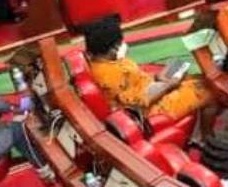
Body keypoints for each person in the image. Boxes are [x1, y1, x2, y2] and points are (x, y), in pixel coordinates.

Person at [85, 18, 214, 122]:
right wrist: (168, 85)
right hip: (148, 112)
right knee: (210, 88)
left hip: (153, 88)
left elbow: (136, 80)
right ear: (113, 48)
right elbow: (137, 104)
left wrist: (158, 77)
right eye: (120, 42)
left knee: (198, 77)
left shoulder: (109, 60)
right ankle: (205, 139)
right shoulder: (108, 76)